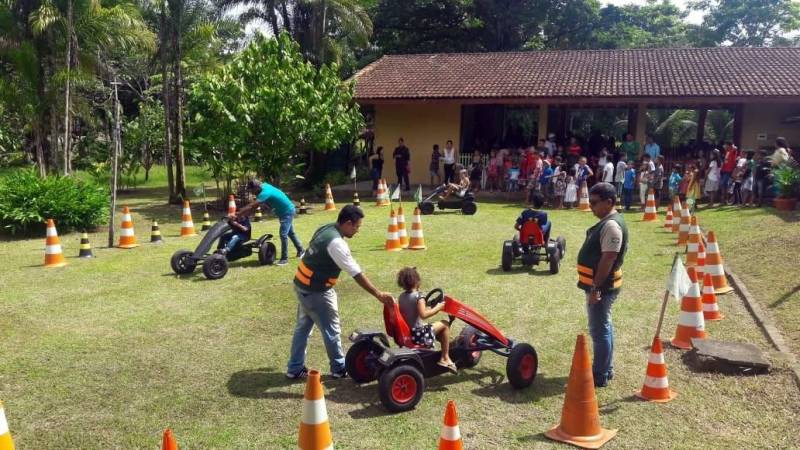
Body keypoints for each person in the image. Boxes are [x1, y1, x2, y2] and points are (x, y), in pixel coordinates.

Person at [286, 206, 395, 379]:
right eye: (356, 227)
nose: (357, 231)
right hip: (317, 292)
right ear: (347, 223)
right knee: (331, 330)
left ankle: (294, 368)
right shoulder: (336, 243)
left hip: (302, 286)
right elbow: (356, 273)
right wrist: (378, 294)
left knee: (303, 328)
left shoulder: (326, 228)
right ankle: (338, 368)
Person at [577, 182, 628, 388]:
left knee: (599, 331)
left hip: (602, 287)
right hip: (600, 285)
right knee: (604, 327)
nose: (591, 206)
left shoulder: (611, 226)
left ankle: (599, 374)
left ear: (609, 202)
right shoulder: (607, 222)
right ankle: (606, 368)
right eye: (590, 201)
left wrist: (595, 288)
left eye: (595, 202)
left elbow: (608, 258)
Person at [396, 267, 457, 373]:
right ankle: (445, 358)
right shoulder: (419, 296)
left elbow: (413, 310)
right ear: (416, 281)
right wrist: (438, 308)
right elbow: (423, 314)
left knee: (434, 326)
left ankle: (445, 346)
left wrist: (430, 305)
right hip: (419, 335)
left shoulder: (402, 296)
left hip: (409, 331)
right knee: (445, 324)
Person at [240, 180, 304, 266]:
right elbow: (255, 207)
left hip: (287, 212)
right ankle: (301, 250)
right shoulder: (264, 186)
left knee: (283, 234)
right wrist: (244, 214)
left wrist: (239, 213)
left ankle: (284, 259)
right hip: (283, 212)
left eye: (252, 190)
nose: (252, 192)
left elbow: (252, 205)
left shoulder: (265, 192)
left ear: (257, 187)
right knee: (290, 233)